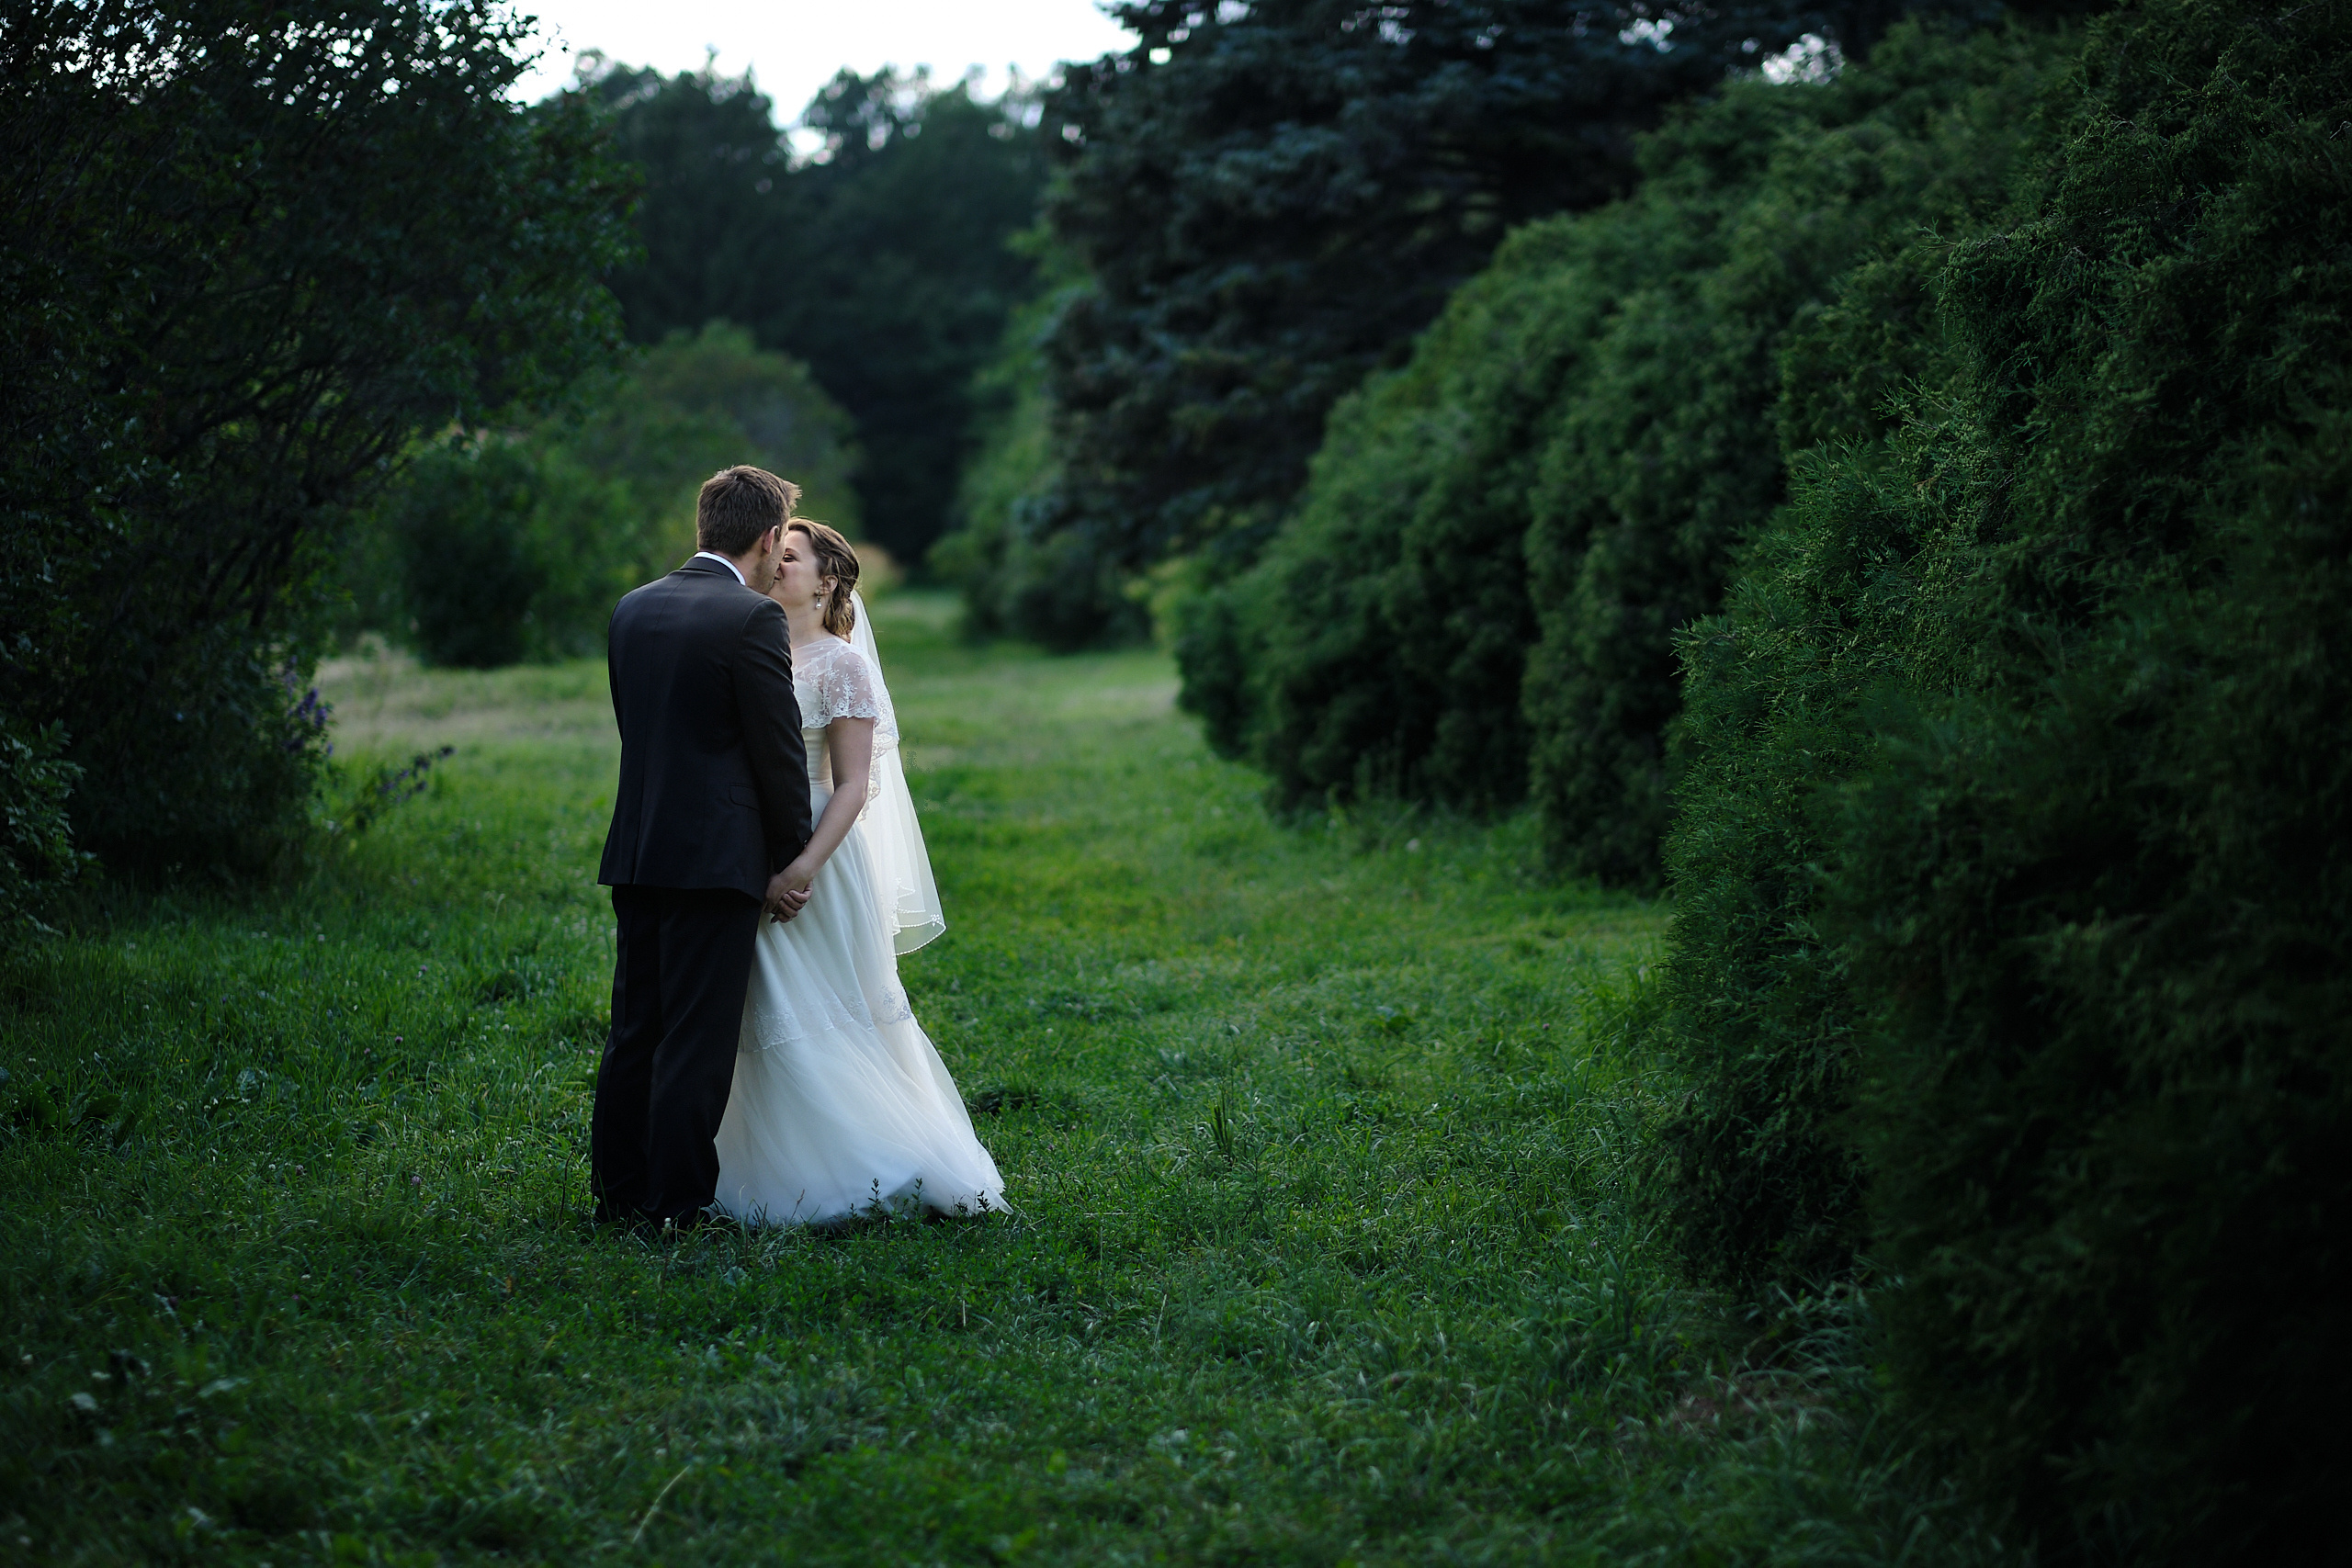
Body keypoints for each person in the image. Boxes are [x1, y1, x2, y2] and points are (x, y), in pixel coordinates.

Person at [712, 519, 1004, 1225]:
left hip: (820, 853)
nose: (775, 564)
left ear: (828, 580)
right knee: (760, 1002)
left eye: (790, 557)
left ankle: (867, 1163)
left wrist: (801, 865)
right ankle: (763, 1163)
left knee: (823, 1003)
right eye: (773, 554)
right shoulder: (746, 648)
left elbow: (853, 785)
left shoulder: (841, 664)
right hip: (743, 846)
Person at [592, 467, 815, 1229]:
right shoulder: (752, 618)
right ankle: (677, 1202)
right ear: (769, 537)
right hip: (716, 857)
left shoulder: (632, 607)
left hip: (638, 846)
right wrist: (791, 857)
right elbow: (778, 753)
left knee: (635, 1029)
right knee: (696, 1036)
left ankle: (618, 1192)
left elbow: (639, 728)